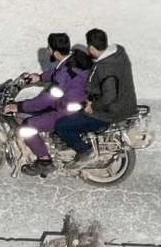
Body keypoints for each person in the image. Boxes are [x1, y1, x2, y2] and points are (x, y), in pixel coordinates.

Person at [57, 29, 136, 160]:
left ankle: (85, 151)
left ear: (92, 48)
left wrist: (92, 106)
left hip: (109, 114)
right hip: (126, 105)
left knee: (63, 125)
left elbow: (109, 96)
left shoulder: (105, 68)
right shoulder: (119, 54)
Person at [16, 35, 87, 175]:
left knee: (28, 125)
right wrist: (40, 77)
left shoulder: (64, 73)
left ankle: (45, 161)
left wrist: (20, 106)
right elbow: (58, 72)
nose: (48, 49)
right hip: (78, 103)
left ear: (55, 52)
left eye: (49, 47)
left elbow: (46, 99)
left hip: (67, 111)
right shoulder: (75, 59)